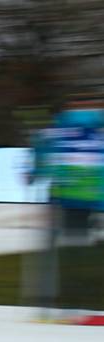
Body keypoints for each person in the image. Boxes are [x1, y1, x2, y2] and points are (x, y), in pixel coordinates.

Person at [30, 95, 104, 321]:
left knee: (72, 251)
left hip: (68, 200)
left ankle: (67, 303)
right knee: (88, 251)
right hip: (97, 197)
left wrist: (34, 175)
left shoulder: (53, 133)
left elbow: (38, 166)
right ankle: (88, 302)